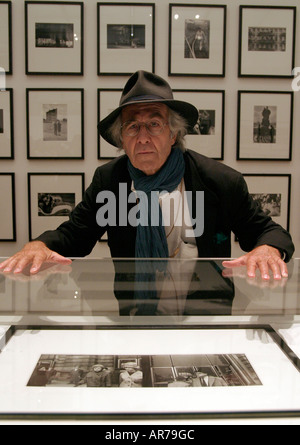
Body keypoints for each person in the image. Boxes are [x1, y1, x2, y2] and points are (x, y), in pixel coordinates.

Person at [0, 70, 294, 280]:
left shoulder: (219, 181)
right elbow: (73, 236)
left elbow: (269, 232)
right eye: (132, 127)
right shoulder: (110, 183)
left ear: (174, 133)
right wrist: (38, 245)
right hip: (135, 318)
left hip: (207, 319)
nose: (142, 137)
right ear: (121, 139)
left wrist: (267, 249)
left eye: (154, 124)